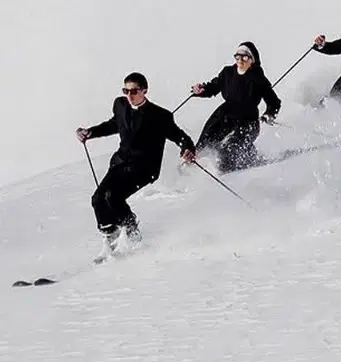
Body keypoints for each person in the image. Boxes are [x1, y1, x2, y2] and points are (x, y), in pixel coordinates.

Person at [76, 72, 195, 257]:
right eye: (126, 90)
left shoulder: (159, 116)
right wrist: (90, 133)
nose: (129, 95)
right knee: (97, 199)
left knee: (113, 196)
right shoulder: (120, 105)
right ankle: (111, 236)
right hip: (120, 162)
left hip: (144, 167)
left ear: (144, 91)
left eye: (134, 91)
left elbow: (179, 136)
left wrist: (187, 149)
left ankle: (131, 232)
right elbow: (114, 125)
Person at [191, 41, 281, 173]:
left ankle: (233, 169)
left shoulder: (258, 79)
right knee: (203, 145)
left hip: (248, 121)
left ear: (252, 60)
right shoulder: (228, 73)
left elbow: (274, 102)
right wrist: (202, 90)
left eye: (244, 57)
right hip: (225, 115)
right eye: (237, 57)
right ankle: (188, 170)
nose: (240, 60)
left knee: (229, 149)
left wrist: (269, 114)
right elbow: (213, 87)